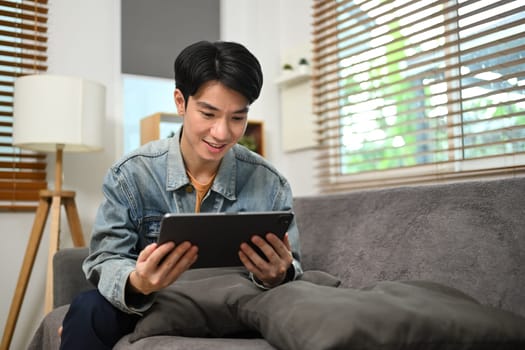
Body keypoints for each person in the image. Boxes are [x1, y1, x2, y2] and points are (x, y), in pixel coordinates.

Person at [59, 40, 303, 349]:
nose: (222, 133)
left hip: (237, 304)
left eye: (237, 118)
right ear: (180, 102)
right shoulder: (131, 174)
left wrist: (277, 275)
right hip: (156, 302)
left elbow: (292, 265)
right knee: (87, 310)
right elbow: (105, 258)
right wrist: (138, 282)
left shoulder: (270, 183)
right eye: (208, 113)